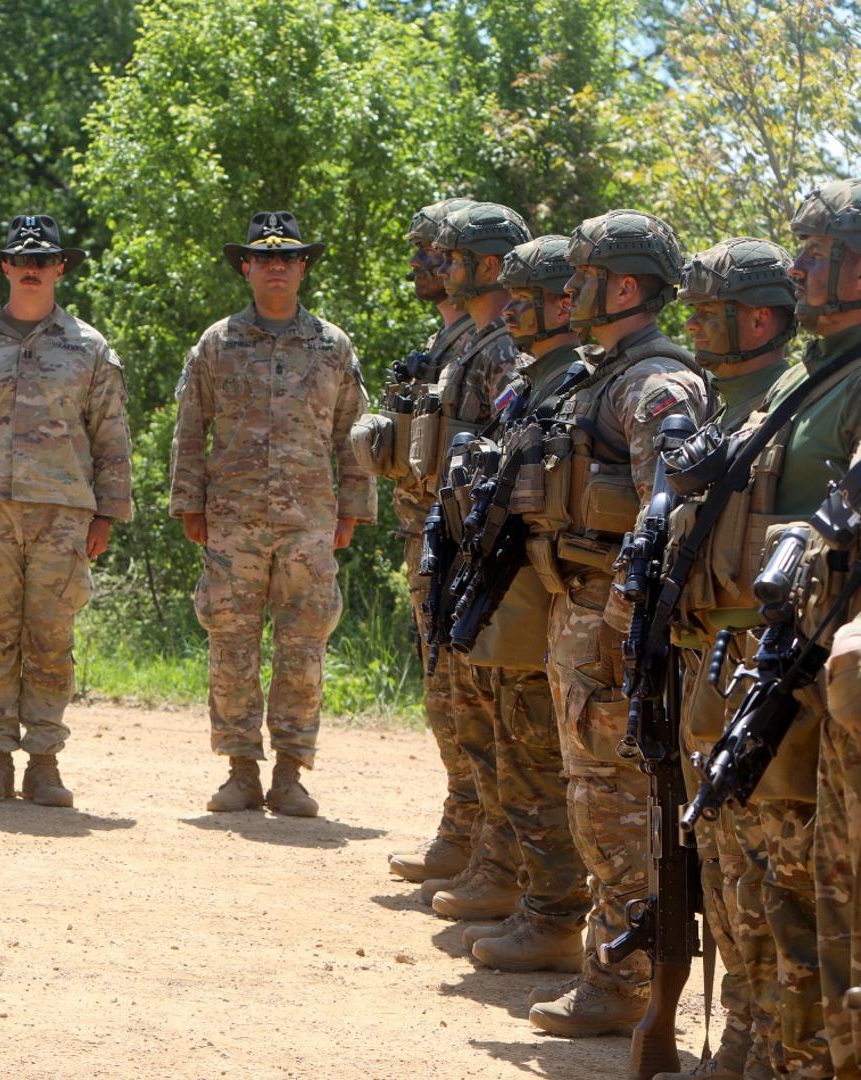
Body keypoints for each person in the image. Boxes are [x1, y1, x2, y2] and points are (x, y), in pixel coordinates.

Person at [652, 236, 838, 1078]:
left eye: (710, 312)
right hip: (717, 659)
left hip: (781, 672)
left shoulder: (820, 389)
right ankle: (745, 1041)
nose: (692, 325)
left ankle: (778, 1054)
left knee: (778, 876)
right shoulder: (766, 395)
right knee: (728, 867)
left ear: (758, 320)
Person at [524, 209, 711, 1038]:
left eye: (585, 276)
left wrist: (619, 637)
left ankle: (623, 978)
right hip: (580, 608)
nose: (568, 290)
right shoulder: (603, 375)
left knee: (617, 803)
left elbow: (663, 528)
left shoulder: (655, 386)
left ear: (626, 285)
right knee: (593, 795)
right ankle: (610, 967)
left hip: (611, 624)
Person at [169, 210, 374, 816]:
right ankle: (240, 770)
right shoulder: (217, 342)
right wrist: (188, 502)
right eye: (264, 257)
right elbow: (191, 427)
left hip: (309, 522)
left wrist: (353, 510)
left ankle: (290, 772)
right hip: (232, 521)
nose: (276, 266)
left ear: (303, 266)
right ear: (247, 268)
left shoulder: (332, 346)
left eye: (288, 257)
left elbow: (354, 434)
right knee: (231, 646)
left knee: (303, 648)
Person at [0, 212, 132, 806]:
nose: (31, 269)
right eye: (21, 260)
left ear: (60, 268)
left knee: (51, 639)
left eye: (42, 260)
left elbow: (110, 435)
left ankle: (44, 762)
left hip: (62, 514)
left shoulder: (88, 347)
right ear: (4, 265)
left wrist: (107, 514)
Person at [439, 232, 590, 975]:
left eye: (527, 298)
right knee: (511, 751)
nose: (511, 310)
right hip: (511, 591)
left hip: (547, 597)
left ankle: (553, 915)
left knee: (536, 757)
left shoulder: (579, 381)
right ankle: (525, 892)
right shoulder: (538, 379)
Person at [421, 203, 535, 927]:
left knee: (487, 715)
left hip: (483, 551)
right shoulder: (468, 343)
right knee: (458, 706)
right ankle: (472, 843)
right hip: (453, 542)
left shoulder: (500, 351)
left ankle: (498, 861)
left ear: (487, 265)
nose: (439, 267)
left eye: (454, 258)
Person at [367, 198, 484, 883]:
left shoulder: (488, 348)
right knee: (444, 694)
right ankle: (464, 828)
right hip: (429, 539)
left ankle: (480, 840)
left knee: (466, 697)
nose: (420, 263)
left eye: (435, 252)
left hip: (464, 549)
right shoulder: (447, 346)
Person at [780, 176, 861, 1075]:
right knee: (824, 898)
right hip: (819, 669)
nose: (797, 269)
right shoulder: (813, 374)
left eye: (817, 255)